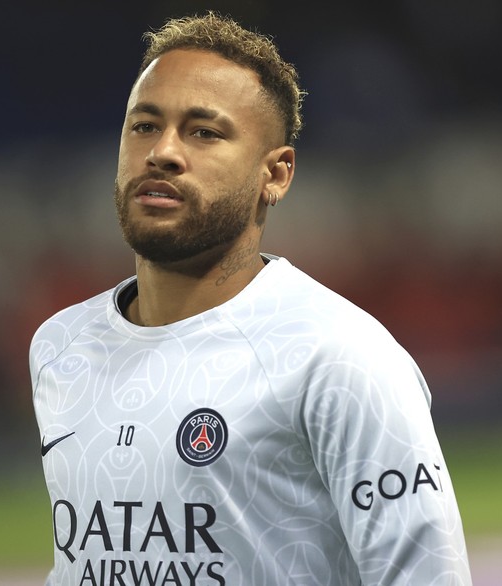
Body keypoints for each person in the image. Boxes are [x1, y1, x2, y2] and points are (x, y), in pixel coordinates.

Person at [29, 12, 471, 586]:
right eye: (143, 125)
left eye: (203, 132)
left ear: (277, 174)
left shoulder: (337, 357)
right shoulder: (61, 346)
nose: (162, 152)